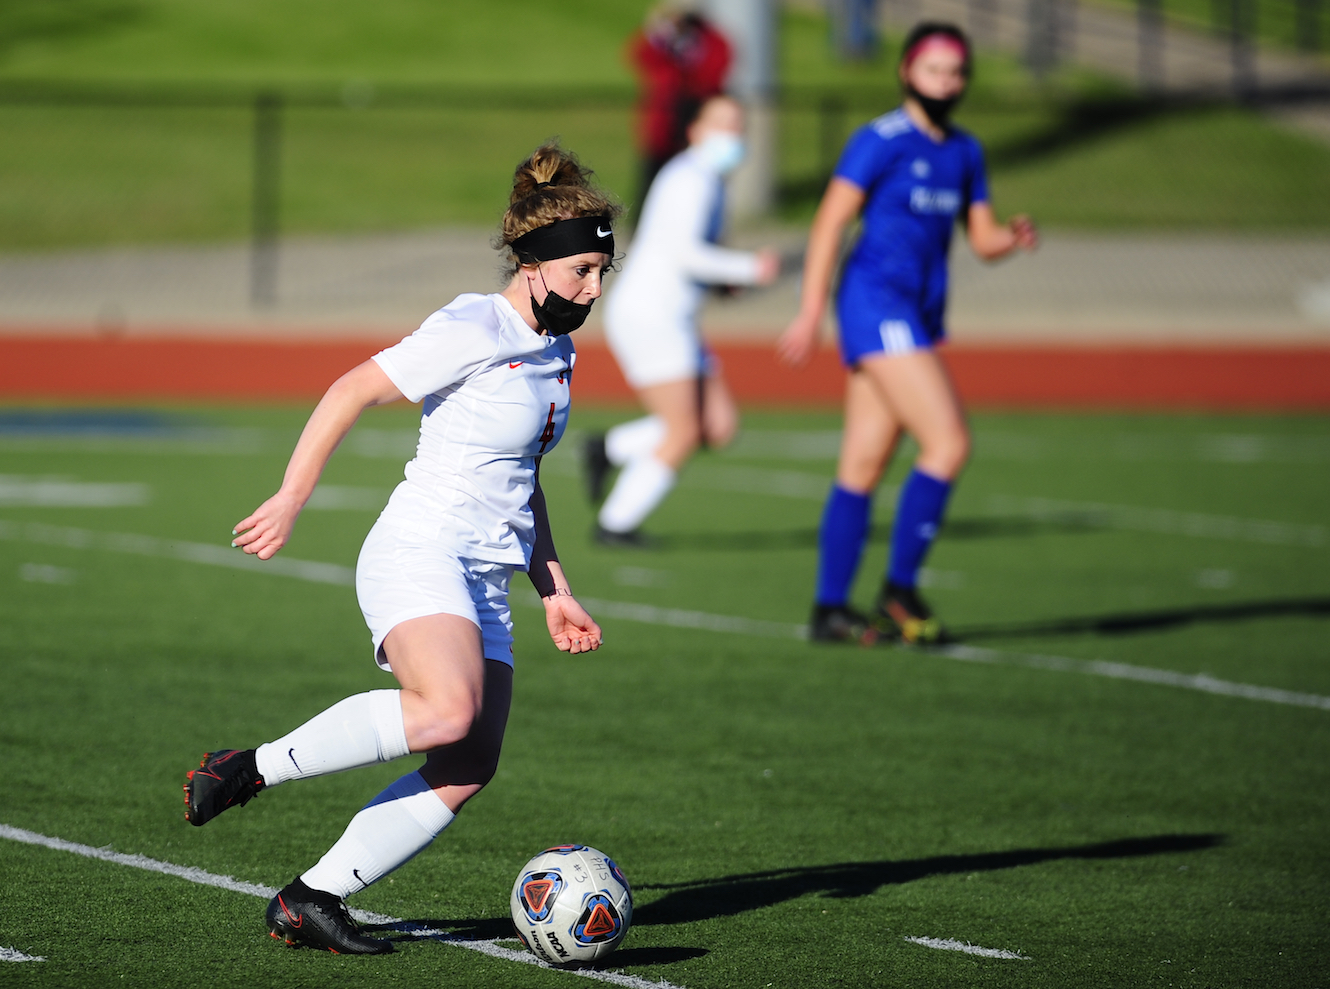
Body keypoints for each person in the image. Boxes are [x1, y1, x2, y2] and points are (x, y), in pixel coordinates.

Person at [181, 143, 615, 954]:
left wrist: (553, 585)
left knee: (468, 762)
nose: (593, 288)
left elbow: (523, 480)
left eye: (601, 272)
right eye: (582, 270)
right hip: (423, 549)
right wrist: (291, 496)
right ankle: (246, 766)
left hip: (485, 577)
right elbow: (351, 388)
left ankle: (310, 898)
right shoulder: (472, 324)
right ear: (532, 264)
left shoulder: (558, 352)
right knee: (446, 710)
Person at [777, 23, 1037, 645]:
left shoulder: (965, 151)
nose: (947, 82)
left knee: (863, 464)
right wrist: (811, 310)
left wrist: (1010, 239)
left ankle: (830, 610)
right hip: (875, 306)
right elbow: (830, 223)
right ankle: (899, 590)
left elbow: (980, 237)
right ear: (906, 72)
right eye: (934, 70)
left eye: (956, 72)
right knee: (947, 444)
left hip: (915, 314)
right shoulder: (880, 140)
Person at [587, 95, 780, 545]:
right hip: (652, 316)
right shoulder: (690, 178)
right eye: (721, 124)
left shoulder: (707, 180)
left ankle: (608, 448)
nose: (732, 134)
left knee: (719, 425)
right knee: (684, 429)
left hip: (675, 316)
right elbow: (683, 252)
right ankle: (615, 524)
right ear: (694, 131)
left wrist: (724, 282)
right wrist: (750, 268)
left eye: (738, 125)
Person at [627, 3, 732, 207]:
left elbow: (715, 71)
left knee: (701, 180)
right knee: (652, 181)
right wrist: (658, 31)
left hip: (697, 117)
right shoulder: (663, 40)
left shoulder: (709, 40)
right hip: (666, 122)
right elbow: (640, 56)